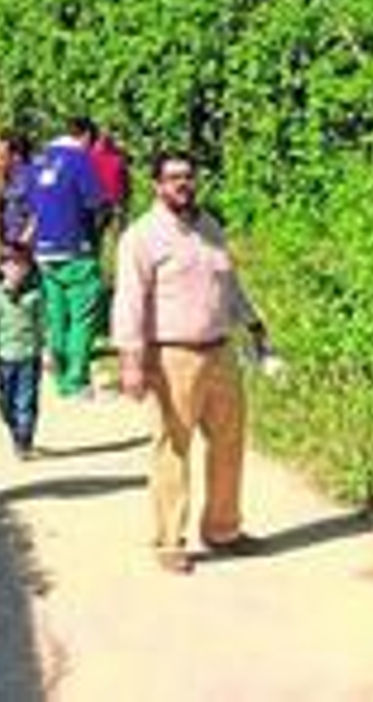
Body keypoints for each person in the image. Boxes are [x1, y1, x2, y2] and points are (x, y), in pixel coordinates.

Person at [112, 150, 273, 575]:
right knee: (172, 447)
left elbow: (230, 284)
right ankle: (169, 540)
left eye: (188, 176)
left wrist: (255, 326)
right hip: (172, 356)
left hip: (219, 351)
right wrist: (131, 360)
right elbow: (129, 301)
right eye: (173, 178)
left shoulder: (209, 228)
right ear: (157, 185)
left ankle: (223, 528)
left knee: (230, 442)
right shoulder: (142, 237)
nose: (183, 184)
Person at [28, 117, 108, 397]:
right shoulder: (79, 159)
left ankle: (61, 378)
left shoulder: (38, 161)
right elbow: (96, 202)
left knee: (56, 316)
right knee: (82, 317)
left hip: (43, 251)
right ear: (85, 136)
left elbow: (31, 205)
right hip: (76, 248)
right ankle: (76, 380)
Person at [0, 244, 46, 458]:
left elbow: (43, 325)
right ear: (2, 268)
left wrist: (46, 351)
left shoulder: (35, 296)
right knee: (6, 402)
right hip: (4, 357)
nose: (14, 269)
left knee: (26, 401)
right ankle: (14, 426)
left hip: (29, 356)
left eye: (20, 264)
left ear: (28, 268)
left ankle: (24, 441)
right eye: (9, 264)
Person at [0, 133, 37, 250]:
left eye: (2, 155)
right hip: (9, 243)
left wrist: (23, 242)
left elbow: (38, 214)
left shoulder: (30, 177)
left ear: (16, 156)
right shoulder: (6, 177)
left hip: (24, 247)